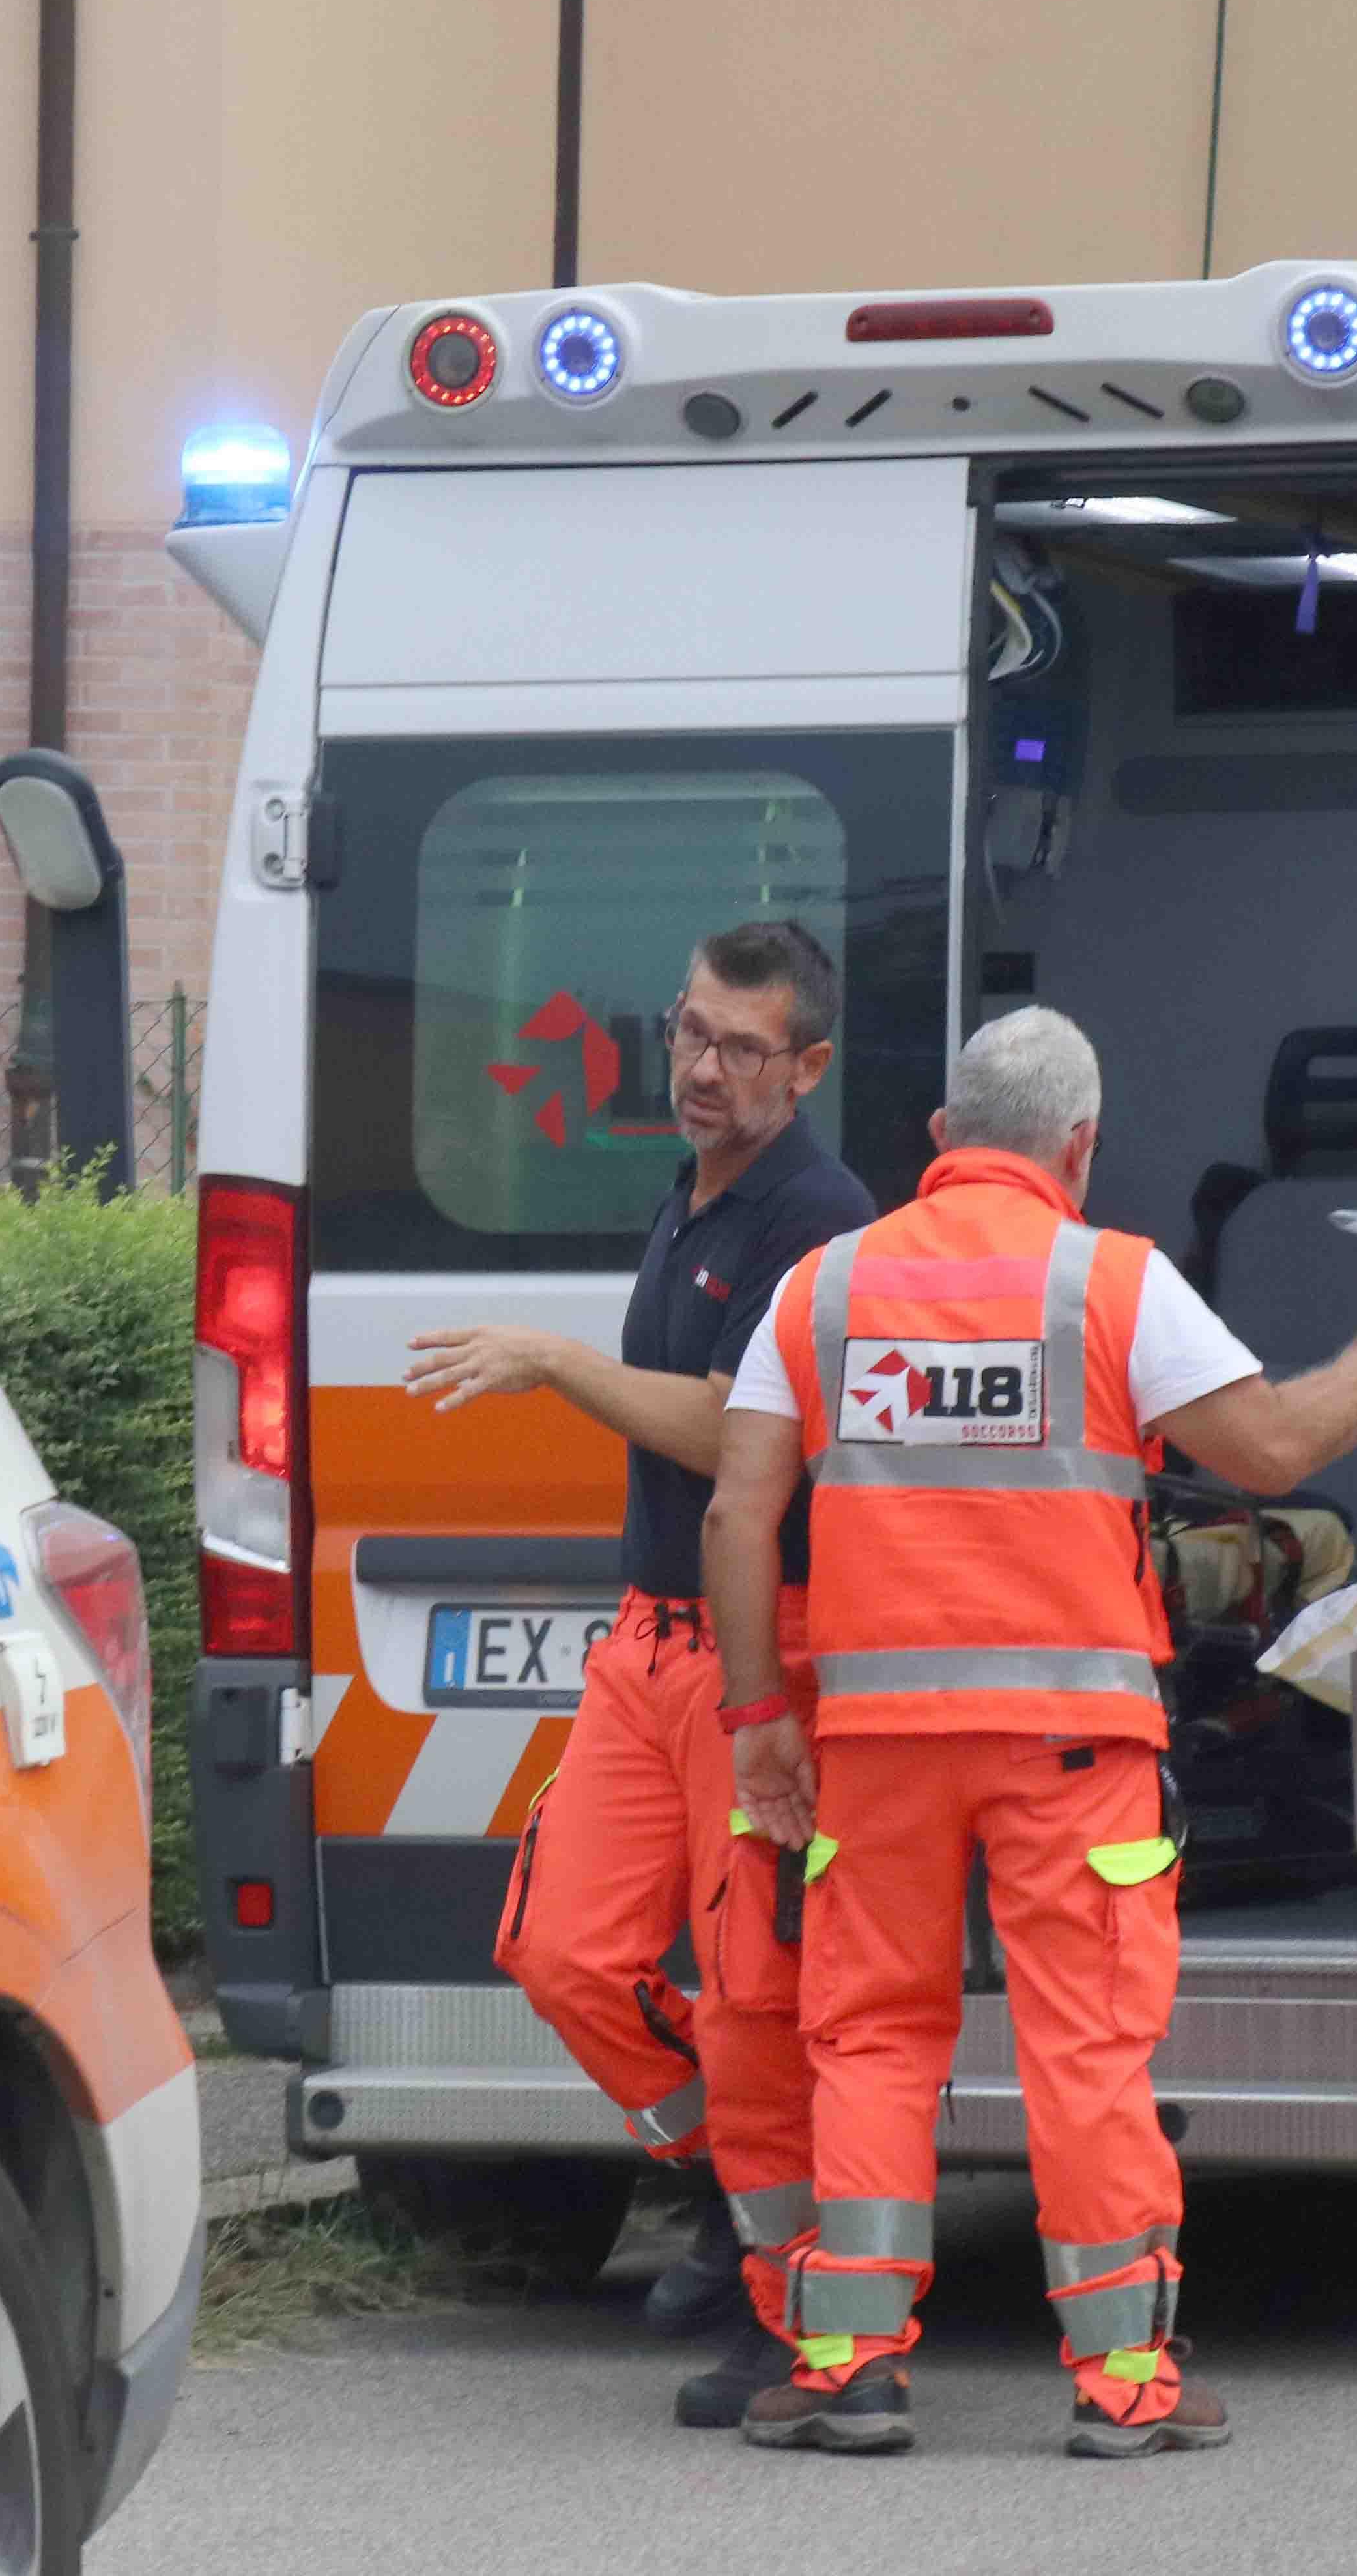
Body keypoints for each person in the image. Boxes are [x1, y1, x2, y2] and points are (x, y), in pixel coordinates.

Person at [702, 1006, 1357, 2460]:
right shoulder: (1115, 1282)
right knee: (1084, 2049)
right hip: (1073, 1746)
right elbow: (1271, 1450)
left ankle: (848, 2363)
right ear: (1080, 1145)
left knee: (871, 2036)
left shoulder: (821, 1289)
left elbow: (738, 1513)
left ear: (944, 1137)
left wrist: (762, 1715)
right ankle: (1124, 2380)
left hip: (878, 1742)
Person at [404, 919, 875, 2429]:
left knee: (754, 1997)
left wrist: (552, 1359)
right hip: (643, 1641)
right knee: (560, 1952)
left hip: (760, 1642)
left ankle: (781, 2298)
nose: (704, 1068)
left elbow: (745, 1433)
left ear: (808, 1066)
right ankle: (721, 2181)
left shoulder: (821, 1216)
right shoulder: (692, 1194)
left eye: (745, 1048)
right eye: (689, 1031)